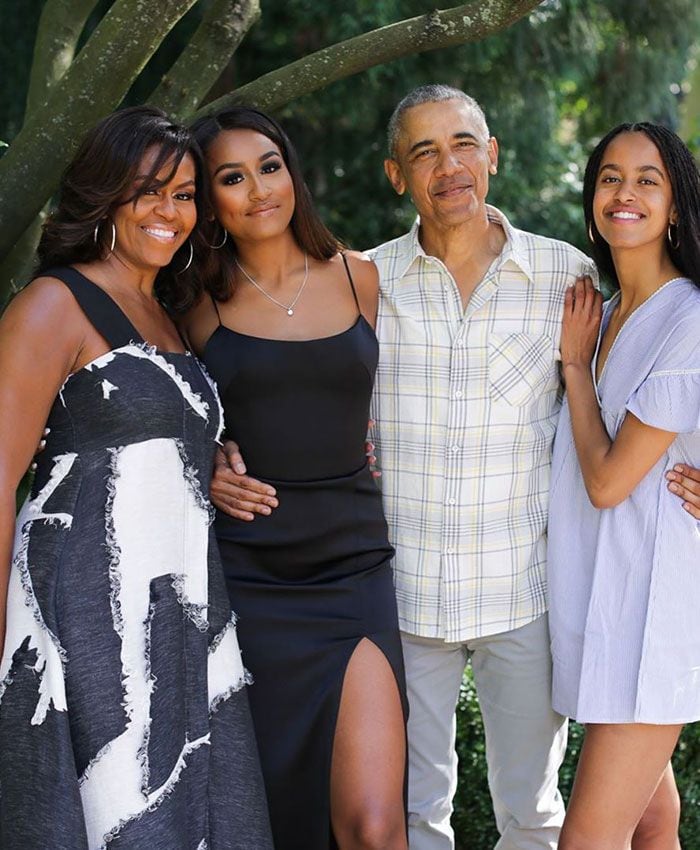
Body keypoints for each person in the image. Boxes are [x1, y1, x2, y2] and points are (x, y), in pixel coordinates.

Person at [211, 86, 700, 850]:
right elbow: (292, 392)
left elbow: (654, 382)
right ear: (394, 174)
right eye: (424, 152)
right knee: (412, 818)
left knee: (533, 817)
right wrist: (213, 452)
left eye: (465, 144)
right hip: (402, 599)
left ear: (493, 155)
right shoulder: (362, 283)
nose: (450, 166)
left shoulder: (567, 278)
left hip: (527, 598)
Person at [0, 106, 273, 850]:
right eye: (147, 190)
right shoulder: (55, 303)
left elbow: (145, 442)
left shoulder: (170, 315)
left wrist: (207, 467)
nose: (169, 211)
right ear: (103, 195)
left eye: (184, 194)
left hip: (175, 613)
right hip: (78, 614)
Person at [181, 106, 408, 850]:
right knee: (275, 820)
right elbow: (157, 414)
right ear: (210, 199)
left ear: (292, 172)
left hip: (354, 569)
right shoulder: (192, 304)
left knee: (375, 826)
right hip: (250, 576)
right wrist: (205, 461)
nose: (258, 189)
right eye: (231, 178)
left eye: (269, 166)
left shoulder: (361, 275)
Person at [548, 122, 700, 850]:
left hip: (654, 614)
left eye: (648, 179)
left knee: (587, 841)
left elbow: (608, 482)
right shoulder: (602, 314)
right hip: (604, 600)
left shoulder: (688, 316)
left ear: (675, 206)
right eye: (610, 176)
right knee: (651, 819)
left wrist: (575, 371)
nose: (625, 192)